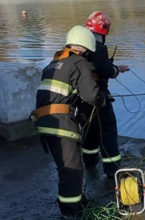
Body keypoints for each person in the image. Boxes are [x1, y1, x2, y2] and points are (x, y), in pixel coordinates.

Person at [35, 25, 105, 217]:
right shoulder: (79, 62)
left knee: (66, 166)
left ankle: (77, 199)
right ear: (86, 46)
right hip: (62, 124)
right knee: (72, 170)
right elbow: (91, 96)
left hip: (44, 122)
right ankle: (70, 212)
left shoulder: (53, 63)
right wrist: (102, 98)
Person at [81, 11, 129, 177]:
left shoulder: (79, 43)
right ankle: (112, 170)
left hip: (81, 96)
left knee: (88, 129)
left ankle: (89, 163)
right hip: (97, 95)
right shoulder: (98, 45)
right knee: (107, 130)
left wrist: (113, 68)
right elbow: (104, 69)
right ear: (104, 28)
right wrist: (115, 70)